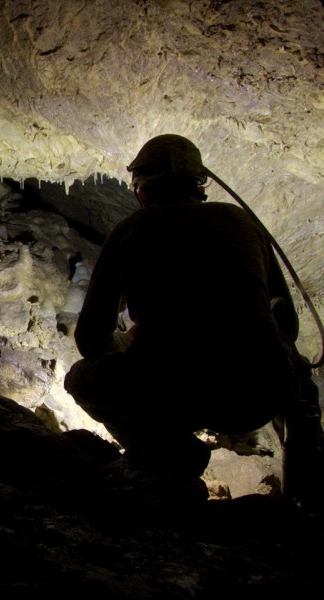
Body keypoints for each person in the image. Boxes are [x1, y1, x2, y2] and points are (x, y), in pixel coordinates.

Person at [63, 134, 303, 484]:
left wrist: (128, 344)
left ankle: (169, 455)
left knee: (81, 379)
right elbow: (288, 326)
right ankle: (305, 495)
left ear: (141, 189)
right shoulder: (242, 222)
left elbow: (89, 340)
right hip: (254, 398)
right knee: (288, 372)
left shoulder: (131, 229)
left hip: (172, 395)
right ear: (199, 184)